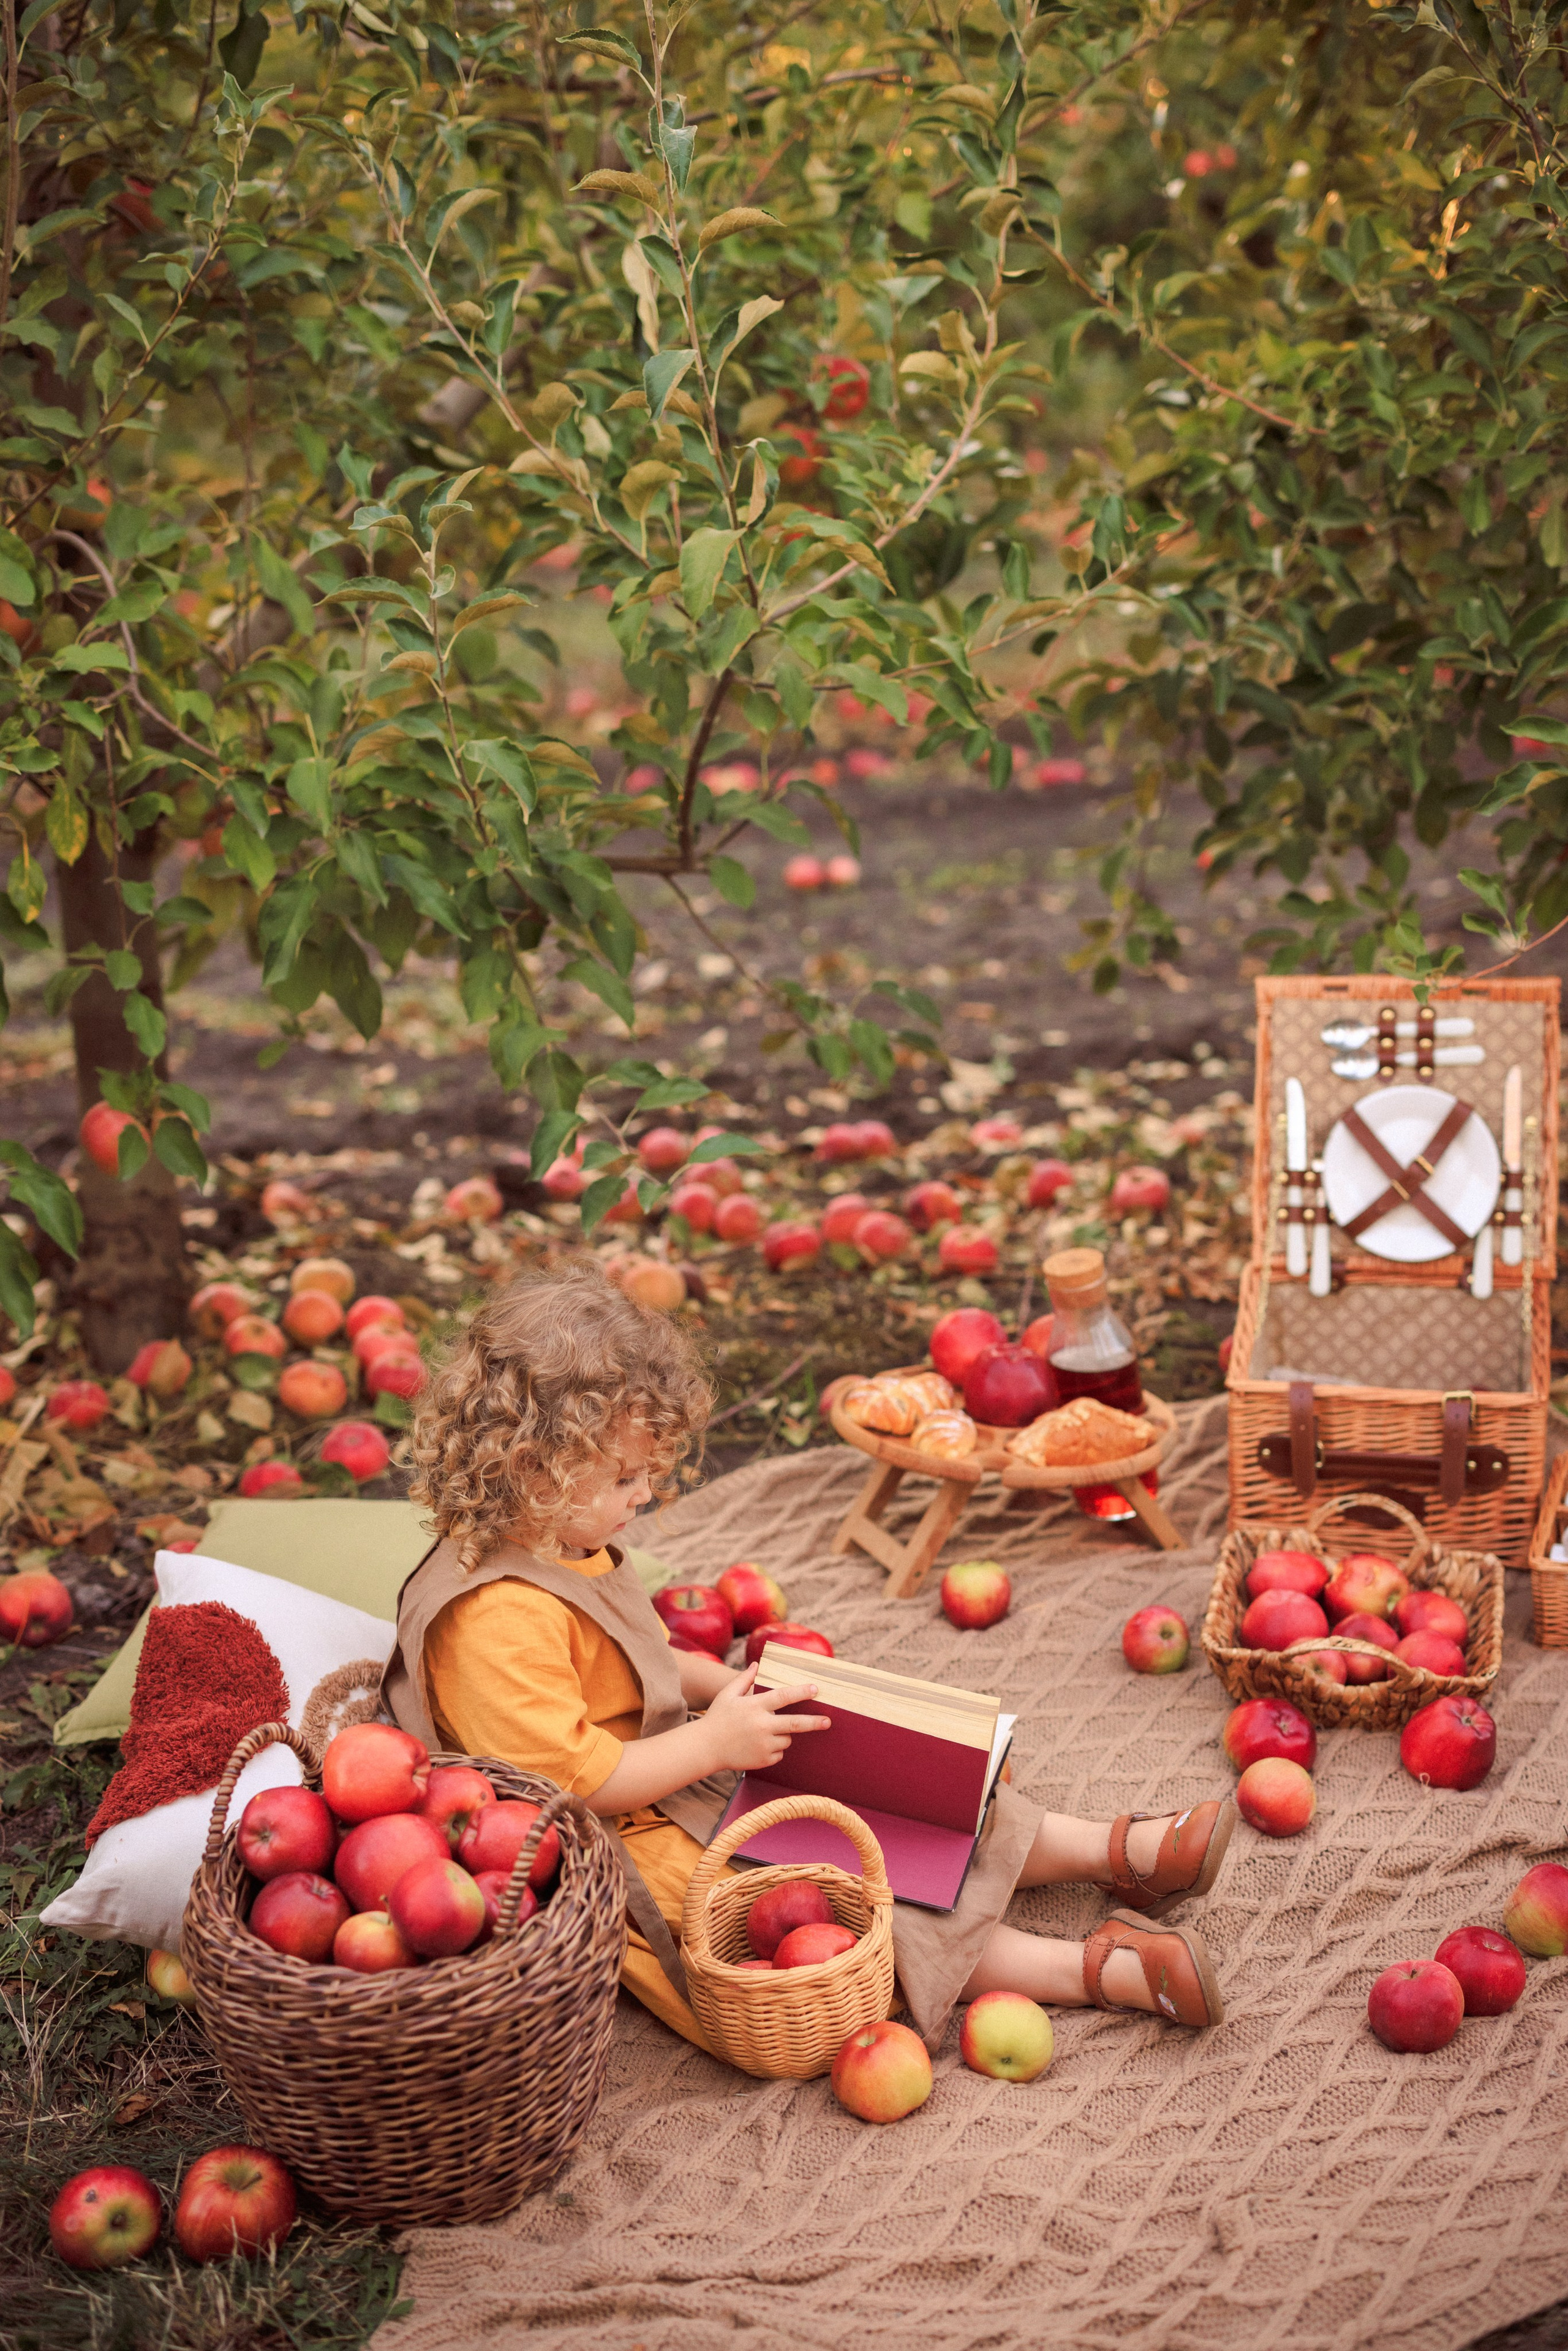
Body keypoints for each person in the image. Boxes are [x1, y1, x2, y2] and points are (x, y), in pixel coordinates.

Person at [380, 1260, 1235, 2050]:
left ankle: (1105, 1851)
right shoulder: (495, 1617)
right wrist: (715, 1743)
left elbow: (633, 1655)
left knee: (880, 1774)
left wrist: (737, 1686)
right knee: (831, 1887)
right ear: (533, 1467)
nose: (644, 1494)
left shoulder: (562, 1532)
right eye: (624, 1477)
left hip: (672, 1763)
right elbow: (575, 1783)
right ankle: (1084, 1969)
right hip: (620, 1836)